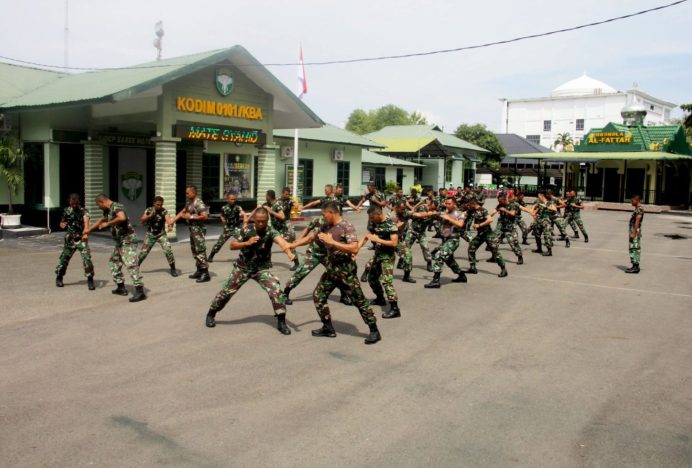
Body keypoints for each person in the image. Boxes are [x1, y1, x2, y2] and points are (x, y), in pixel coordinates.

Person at [204, 207, 295, 334]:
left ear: (267, 220)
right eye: (258, 221)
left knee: (276, 290)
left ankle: (281, 321)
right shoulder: (247, 230)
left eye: (263, 221)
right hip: (243, 268)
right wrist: (247, 243)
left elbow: (282, 242)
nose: (261, 224)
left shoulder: (271, 231)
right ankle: (211, 313)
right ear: (254, 220)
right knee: (226, 292)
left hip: (260, 270)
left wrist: (289, 253)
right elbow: (232, 245)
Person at [311, 201, 382, 344]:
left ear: (331, 212)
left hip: (345, 271)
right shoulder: (326, 226)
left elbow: (354, 248)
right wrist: (290, 245)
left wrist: (333, 242)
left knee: (359, 301)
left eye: (324, 214)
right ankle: (328, 327)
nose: (323, 217)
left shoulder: (346, 227)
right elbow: (312, 238)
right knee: (318, 295)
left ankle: (374, 330)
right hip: (331, 270)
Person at [283, 209, 352, 306]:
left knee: (337, 274)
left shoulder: (340, 225)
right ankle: (285, 293)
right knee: (301, 273)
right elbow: (310, 236)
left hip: (328, 255)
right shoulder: (320, 222)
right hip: (314, 253)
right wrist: (297, 242)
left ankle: (344, 295)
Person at [85, 193, 146, 302]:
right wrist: (89, 230)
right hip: (119, 242)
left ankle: (140, 291)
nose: (99, 207)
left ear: (102, 202)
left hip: (128, 240)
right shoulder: (107, 210)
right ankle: (121, 287)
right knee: (114, 262)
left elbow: (121, 218)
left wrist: (108, 224)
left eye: (98, 205)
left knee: (131, 264)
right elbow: (101, 220)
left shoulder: (117, 207)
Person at [360, 205, 401, 318]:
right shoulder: (375, 223)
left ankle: (395, 308)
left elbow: (394, 243)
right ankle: (380, 298)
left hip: (387, 257)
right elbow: (368, 236)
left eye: (372, 217)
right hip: (378, 255)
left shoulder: (390, 225)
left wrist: (378, 240)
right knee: (372, 278)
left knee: (387, 282)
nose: (371, 220)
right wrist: (356, 249)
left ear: (378, 214)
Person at [424, 198, 468, 288]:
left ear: (454, 204)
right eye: (446, 203)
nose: (447, 205)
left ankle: (436, 280)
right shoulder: (444, 212)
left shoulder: (459, 213)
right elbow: (433, 214)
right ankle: (461, 275)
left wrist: (449, 218)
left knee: (439, 256)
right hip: (445, 240)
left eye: (449, 203)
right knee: (449, 261)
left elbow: (460, 224)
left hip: (453, 240)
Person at [55, 193, 95, 290]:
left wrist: (85, 234)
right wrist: (62, 224)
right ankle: (59, 277)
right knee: (64, 258)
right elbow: (63, 222)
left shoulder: (84, 211)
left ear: (79, 202)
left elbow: (86, 223)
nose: (74, 205)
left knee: (87, 259)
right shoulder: (66, 210)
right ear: (69, 202)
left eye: (76, 203)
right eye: (72, 203)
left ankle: (90, 279)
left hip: (81, 238)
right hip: (70, 238)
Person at [171, 186, 210, 282]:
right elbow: (182, 212)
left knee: (200, 250)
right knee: (195, 250)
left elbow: (205, 216)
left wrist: (191, 217)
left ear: (193, 193)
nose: (186, 194)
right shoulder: (190, 203)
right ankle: (199, 270)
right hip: (193, 230)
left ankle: (205, 273)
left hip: (198, 230)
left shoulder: (198, 202)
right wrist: (172, 221)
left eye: (188, 193)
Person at [466, 199, 508, 277]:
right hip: (480, 235)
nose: (468, 206)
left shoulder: (483, 210)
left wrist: (479, 225)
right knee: (471, 248)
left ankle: (504, 269)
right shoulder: (472, 210)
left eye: (469, 205)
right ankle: (473, 268)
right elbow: (464, 214)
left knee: (495, 252)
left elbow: (490, 220)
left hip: (488, 234)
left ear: (473, 204)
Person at [137, 196, 177, 276]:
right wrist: (149, 216)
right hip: (151, 234)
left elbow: (168, 221)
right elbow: (141, 220)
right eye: (158, 204)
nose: (159, 206)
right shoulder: (149, 210)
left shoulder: (164, 211)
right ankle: (135, 267)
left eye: (161, 205)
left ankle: (173, 269)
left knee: (168, 251)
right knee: (143, 253)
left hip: (161, 234)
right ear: (154, 203)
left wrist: (170, 226)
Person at [264, 188, 300, 271]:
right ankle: (267, 261)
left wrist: (298, 206)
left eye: (289, 194)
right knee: (267, 242)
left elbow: (295, 204)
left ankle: (296, 262)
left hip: (286, 226)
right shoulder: (277, 201)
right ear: (283, 193)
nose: (288, 196)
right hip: (275, 227)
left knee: (290, 245)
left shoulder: (289, 201)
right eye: (286, 194)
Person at [208, 193, 248, 262]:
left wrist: (245, 222)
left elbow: (243, 213)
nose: (233, 201)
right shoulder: (224, 208)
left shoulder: (237, 207)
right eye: (231, 199)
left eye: (234, 199)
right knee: (219, 243)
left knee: (244, 241)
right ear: (227, 200)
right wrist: (222, 219)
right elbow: (222, 215)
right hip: (227, 229)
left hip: (236, 228)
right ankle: (211, 256)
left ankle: (245, 256)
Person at [490, 194, 523, 265]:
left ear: (504, 199)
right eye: (498, 201)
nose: (499, 202)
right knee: (494, 242)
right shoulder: (499, 205)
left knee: (513, 243)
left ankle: (520, 257)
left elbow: (513, 214)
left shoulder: (512, 205)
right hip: (501, 227)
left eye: (500, 201)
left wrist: (505, 210)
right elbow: (494, 211)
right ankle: (494, 257)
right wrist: (488, 216)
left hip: (510, 228)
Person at [407, 197, 436, 272]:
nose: (434, 208)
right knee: (406, 247)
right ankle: (402, 262)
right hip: (413, 230)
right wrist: (429, 214)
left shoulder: (433, 211)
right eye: (433, 206)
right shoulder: (422, 207)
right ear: (430, 203)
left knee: (425, 247)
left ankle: (429, 263)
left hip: (421, 232)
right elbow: (417, 215)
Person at [393, 201, 417, 283]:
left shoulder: (404, 213)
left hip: (399, 240)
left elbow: (414, 213)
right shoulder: (391, 217)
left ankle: (406, 276)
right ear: (396, 208)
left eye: (404, 209)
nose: (403, 211)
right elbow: (386, 229)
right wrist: (397, 226)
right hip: (388, 240)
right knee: (377, 259)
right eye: (402, 209)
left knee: (408, 256)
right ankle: (368, 271)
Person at [626, 195, 644, 274]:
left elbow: (637, 221)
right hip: (634, 231)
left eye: (632, 201)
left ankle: (635, 267)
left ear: (637, 200)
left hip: (635, 231)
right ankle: (634, 266)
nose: (631, 202)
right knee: (633, 248)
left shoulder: (639, 209)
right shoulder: (637, 208)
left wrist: (633, 233)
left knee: (635, 248)